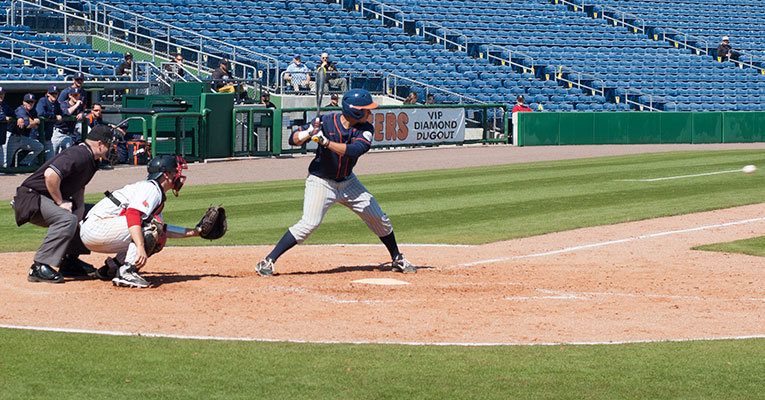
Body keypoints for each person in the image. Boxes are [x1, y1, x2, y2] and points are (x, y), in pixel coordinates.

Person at [254, 89, 416, 277]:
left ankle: (397, 258)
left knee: (378, 217)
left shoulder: (366, 129)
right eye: (366, 109)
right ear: (354, 111)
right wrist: (308, 132)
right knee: (309, 224)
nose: (370, 113)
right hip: (321, 182)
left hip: (348, 182)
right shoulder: (325, 121)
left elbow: (355, 150)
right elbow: (293, 139)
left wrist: (325, 142)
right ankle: (268, 261)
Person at [79, 155, 202, 288]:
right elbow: (133, 214)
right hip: (97, 228)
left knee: (157, 232)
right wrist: (140, 246)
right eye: (175, 172)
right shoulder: (151, 189)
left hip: (97, 230)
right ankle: (127, 272)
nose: (178, 176)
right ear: (166, 174)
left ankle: (112, 268)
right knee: (152, 227)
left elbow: (161, 229)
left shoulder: (154, 191)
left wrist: (195, 232)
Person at [12, 125, 115, 283]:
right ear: (100, 143)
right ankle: (39, 266)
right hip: (31, 197)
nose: (112, 148)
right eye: (110, 145)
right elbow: (50, 175)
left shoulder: (91, 159)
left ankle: (69, 261)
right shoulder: (79, 154)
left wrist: (80, 207)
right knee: (67, 218)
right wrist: (60, 203)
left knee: (92, 213)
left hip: (44, 198)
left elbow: (78, 185)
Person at [4, 93, 44, 168]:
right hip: (11, 137)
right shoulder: (21, 110)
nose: (30, 104)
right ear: (23, 102)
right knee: (6, 164)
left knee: (39, 147)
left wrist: (33, 122)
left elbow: (35, 127)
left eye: (32, 102)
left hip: (21, 137)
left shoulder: (33, 111)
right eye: (28, 102)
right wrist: (34, 121)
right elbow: (28, 125)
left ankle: (24, 163)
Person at [35, 85, 64, 161]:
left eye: (56, 93)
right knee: (34, 159)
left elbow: (61, 113)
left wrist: (60, 115)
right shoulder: (43, 101)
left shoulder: (57, 103)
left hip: (48, 136)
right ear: (48, 93)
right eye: (52, 93)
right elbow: (40, 113)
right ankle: (24, 164)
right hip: (37, 135)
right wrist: (54, 116)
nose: (54, 95)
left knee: (50, 160)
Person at [0, 86, 13, 167]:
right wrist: (4, 118)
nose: (1, 96)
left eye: (2, 94)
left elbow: (13, 113)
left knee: (1, 165)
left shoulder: (4, 106)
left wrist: (21, 118)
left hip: (0, 140)